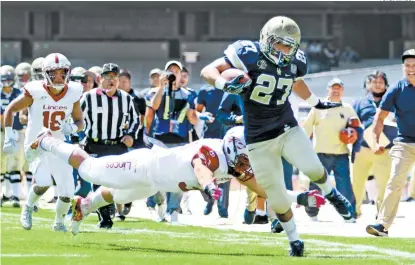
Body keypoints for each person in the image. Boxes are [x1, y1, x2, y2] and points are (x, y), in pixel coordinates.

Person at [200, 16, 354, 256]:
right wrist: (223, 83)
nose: (283, 50)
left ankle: (332, 195)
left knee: (313, 168)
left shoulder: (296, 61)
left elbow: (298, 83)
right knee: (277, 198)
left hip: (286, 127)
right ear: (265, 39)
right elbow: (207, 70)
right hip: (258, 138)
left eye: (289, 45)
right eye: (278, 43)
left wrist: (316, 102)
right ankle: (294, 241)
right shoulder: (247, 52)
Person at [25, 126, 324, 236]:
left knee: (116, 196)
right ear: (234, 148)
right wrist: (207, 186)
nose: (247, 165)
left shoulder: (234, 165)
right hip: (145, 164)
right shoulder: (212, 151)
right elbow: (199, 166)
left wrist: (299, 198)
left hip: (155, 183)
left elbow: (266, 189)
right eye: (244, 158)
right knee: (89, 169)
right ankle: (48, 141)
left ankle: (83, 205)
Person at [2, 53, 84, 232]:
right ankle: (28, 207)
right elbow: (10, 109)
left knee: (68, 189)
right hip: (36, 143)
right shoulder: (35, 91)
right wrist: (9, 137)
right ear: (46, 74)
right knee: (44, 180)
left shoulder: (74, 92)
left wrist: (73, 128)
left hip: (59, 144)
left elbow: (80, 121)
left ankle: (59, 222)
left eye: (63, 72)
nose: (59, 77)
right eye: (54, 73)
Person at [80, 63, 139, 229]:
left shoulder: (127, 99)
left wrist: (131, 135)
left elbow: (136, 120)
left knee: (118, 180)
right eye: (107, 77)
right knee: (98, 181)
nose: (110, 80)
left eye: (114, 77)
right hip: (95, 145)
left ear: (118, 80)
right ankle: (105, 217)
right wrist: (78, 136)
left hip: (117, 145)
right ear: (100, 79)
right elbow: (76, 118)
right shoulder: (89, 97)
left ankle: (118, 202)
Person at [366, 49, 415, 237]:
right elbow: (379, 117)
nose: (411, 69)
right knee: (394, 182)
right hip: (404, 144)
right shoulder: (396, 89)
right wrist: (376, 142)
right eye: (408, 66)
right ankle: (382, 225)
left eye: (414, 66)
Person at [302, 78, 360, 220]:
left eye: (339, 88)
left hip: (341, 154)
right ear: (328, 90)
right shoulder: (318, 107)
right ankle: (312, 214)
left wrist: (352, 135)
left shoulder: (348, 108)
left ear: (342, 90)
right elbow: (306, 129)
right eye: (333, 88)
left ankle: (349, 214)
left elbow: (356, 128)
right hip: (320, 153)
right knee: (316, 184)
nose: (336, 90)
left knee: (344, 185)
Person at [352, 71, 397, 218]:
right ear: (368, 84)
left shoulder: (393, 101)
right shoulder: (359, 102)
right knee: (357, 183)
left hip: (385, 150)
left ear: (386, 85)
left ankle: (382, 215)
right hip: (363, 149)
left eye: (381, 82)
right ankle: (354, 211)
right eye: (374, 82)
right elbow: (352, 123)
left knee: (384, 185)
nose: (378, 84)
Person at [1, 65, 23, 207]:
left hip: (18, 131)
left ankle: (15, 196)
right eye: (4, 79)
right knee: (1, 164)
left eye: (9, 79)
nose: (7, 82)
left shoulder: (20, 93)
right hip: (2, 132)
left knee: (16, 163)